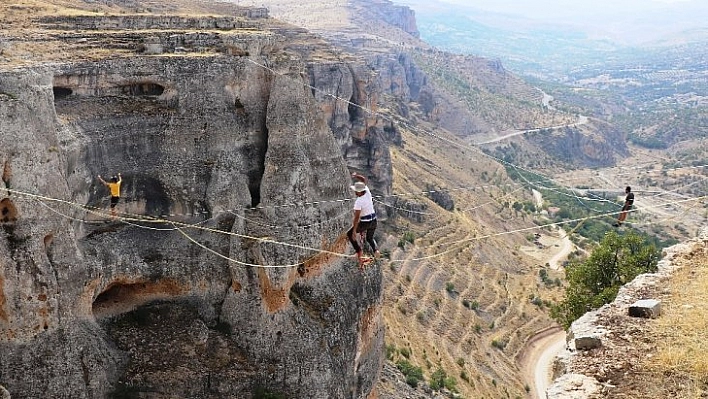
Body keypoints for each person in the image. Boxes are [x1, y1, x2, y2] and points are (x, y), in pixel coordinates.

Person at [347, 172, 380, 269]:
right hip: (374, 220)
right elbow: (364, 180)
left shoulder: (359, 202)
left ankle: (358, 252)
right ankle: (376, 250)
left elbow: (356, 218)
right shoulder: (367, 192)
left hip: (365, 222)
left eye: (356, 191)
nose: (355, 192)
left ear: (360, 192)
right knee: (370, 238)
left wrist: (353, 231)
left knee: (349, 234)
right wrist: (356, 176)